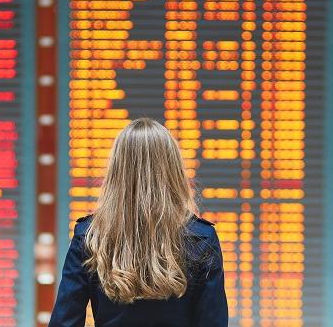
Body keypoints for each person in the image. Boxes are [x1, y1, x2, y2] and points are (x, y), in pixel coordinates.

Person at [48, 117, 228, 327]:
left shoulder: (90, 235)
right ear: (173, 169)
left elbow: (65, 322)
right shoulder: (202, 238)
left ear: (117, 170)